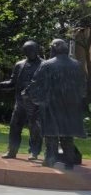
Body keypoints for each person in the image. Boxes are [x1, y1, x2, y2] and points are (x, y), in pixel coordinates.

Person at [25, 39, 86, 169]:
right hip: (71, 107)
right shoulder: (77, 65)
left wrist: (32, 97)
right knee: (67, 136)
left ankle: (50, 160)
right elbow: (83, 88)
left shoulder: (47, 64)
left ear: (54, 49)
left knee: (51, 135)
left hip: (51, 105)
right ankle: (69, 163)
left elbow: (36, 83)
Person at [0, 40, 43, 160]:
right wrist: (0, 85)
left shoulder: (44, 65)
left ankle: (34, 152)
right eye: (26, 51)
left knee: (34, 128)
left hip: (36, 104)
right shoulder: (19, 64)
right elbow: (13, 82)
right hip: (20, 103)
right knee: (14, 126)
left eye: (30, 50)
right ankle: (12, 151)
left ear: (36, 50)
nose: (28, 53)